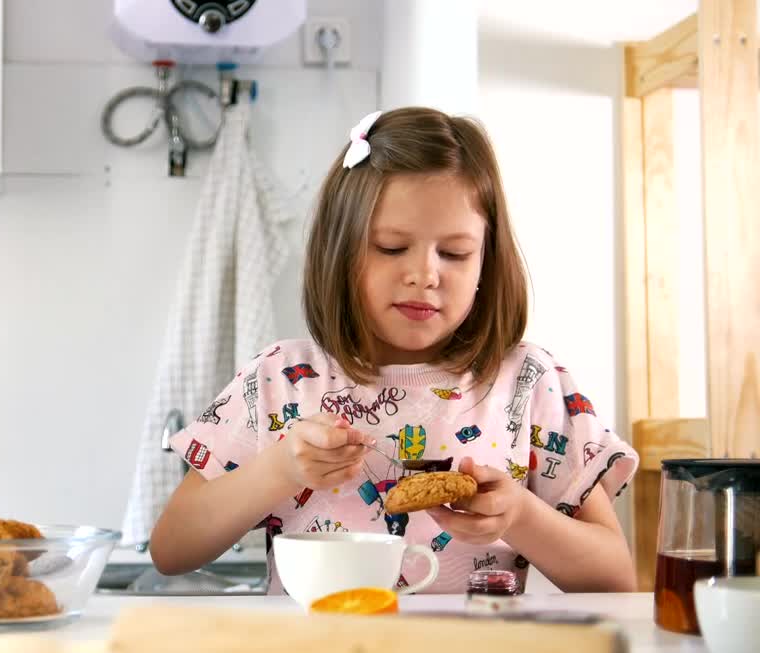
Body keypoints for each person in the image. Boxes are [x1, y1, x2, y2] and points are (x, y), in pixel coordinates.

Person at [150, 107, 638, 594]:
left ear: (487, 261)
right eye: (390, 247)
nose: (425, 274)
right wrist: (279, 469)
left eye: (454, 253)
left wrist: (520, 516)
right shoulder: (283, 378)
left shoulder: (529, 383)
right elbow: (172, 549)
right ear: (341, 252)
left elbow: (616, 577)